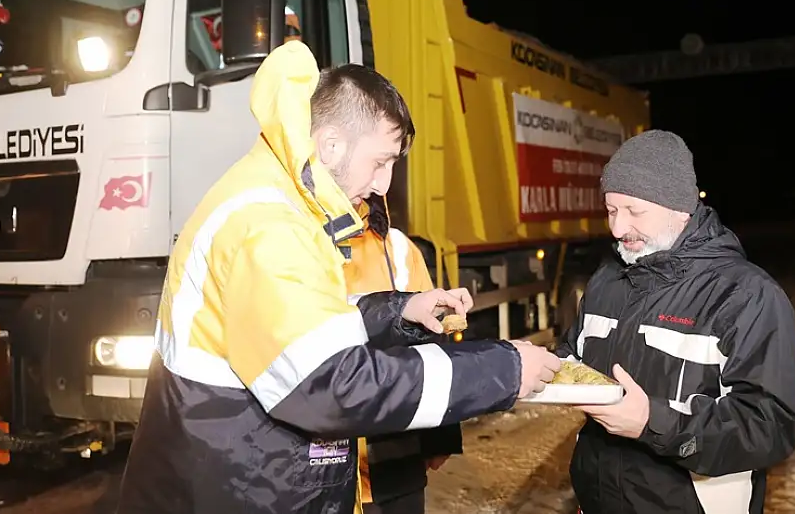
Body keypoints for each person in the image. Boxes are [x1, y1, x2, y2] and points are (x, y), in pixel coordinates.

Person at [116, 41, 561, 514]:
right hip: (240, 490)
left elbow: (294, 330)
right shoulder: (273, 226)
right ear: (330, 144)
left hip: (236, 474)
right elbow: (331, 386)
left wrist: (398, 311)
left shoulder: (274, 202)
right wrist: (503, 368)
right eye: (381, 161)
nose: (385, 184)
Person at [557, 129, 795, 514]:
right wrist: (546, 368)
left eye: (635, 211)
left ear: (679, 208)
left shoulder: (745, 296)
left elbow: (768, 427)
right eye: (611, 211)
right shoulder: (607, 280)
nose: (618, 229)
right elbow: (573, 356)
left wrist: (652, 422)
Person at [341, 194, 463, 514]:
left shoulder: (397, 247)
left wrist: (441, 435)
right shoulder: (302, 241)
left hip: (394, 451)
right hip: (329, 458)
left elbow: (432, 341)